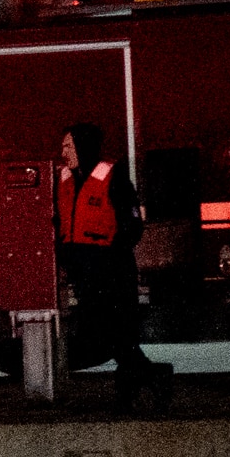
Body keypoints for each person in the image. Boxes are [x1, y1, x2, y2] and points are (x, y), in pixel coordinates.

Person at [57, 122, 171, 412]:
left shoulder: (114, 176)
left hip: (111, 271)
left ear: (84, 147)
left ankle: (147, 378)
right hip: (84, 272)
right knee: (107, 333)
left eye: (68, 146)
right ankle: (137, 383)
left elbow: (132, 225)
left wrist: (109, 257)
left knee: (115, 332)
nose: (63, 152)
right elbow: (61, 225)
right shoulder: (66, 180)